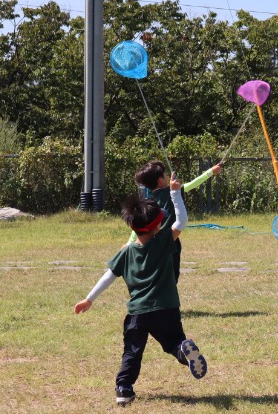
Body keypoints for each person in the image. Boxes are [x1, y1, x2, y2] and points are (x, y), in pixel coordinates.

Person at [74, 172, 207, 406]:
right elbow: (181, 222)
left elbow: (108, 276)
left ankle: (124, 388)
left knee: (132, 352)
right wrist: (175, 193)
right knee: (174, 341)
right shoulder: (164, 242)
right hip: (166, 307)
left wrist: (89, 299)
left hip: (138, 313)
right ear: (157, 225)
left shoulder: (126, 252)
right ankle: (182, 350)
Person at [133, 161, 222, 283]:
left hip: (152, 243)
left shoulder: (147, 202)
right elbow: (193, 184)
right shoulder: (171, 192)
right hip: (170, 242)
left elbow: (139, 226)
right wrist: (211, 172)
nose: (168, 177)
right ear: (160, 180)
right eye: (166, 175)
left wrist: (129, 243)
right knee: (171, 278)